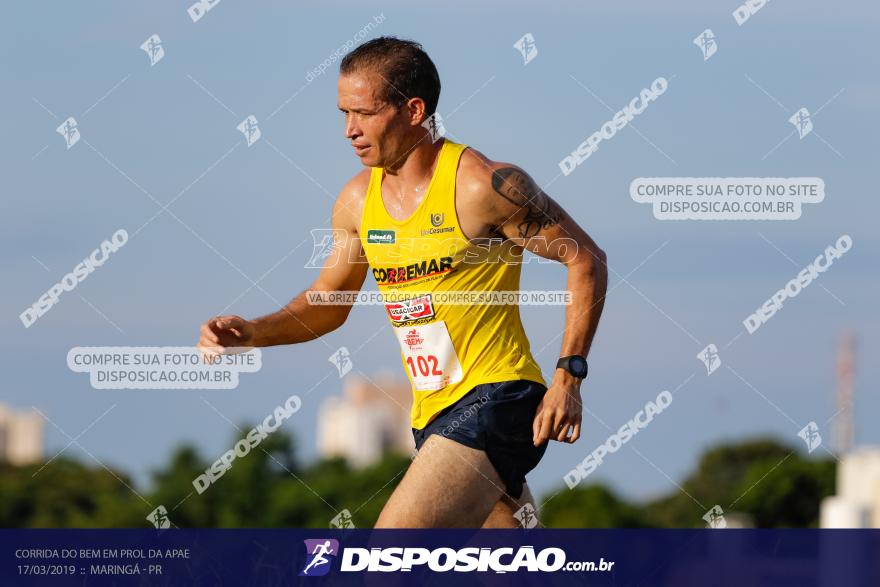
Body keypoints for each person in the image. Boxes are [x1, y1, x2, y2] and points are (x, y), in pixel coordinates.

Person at [197, 36, 607, 528]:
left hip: (498, 398)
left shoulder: (482, 186)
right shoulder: (356, 202)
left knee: (389, 558)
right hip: (431, 415)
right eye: (343, 113)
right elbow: (330, 303)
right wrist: (255, 331)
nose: (349, 130)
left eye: (363, 113)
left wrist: (568, 377)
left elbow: (587, 261)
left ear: (413, 110)